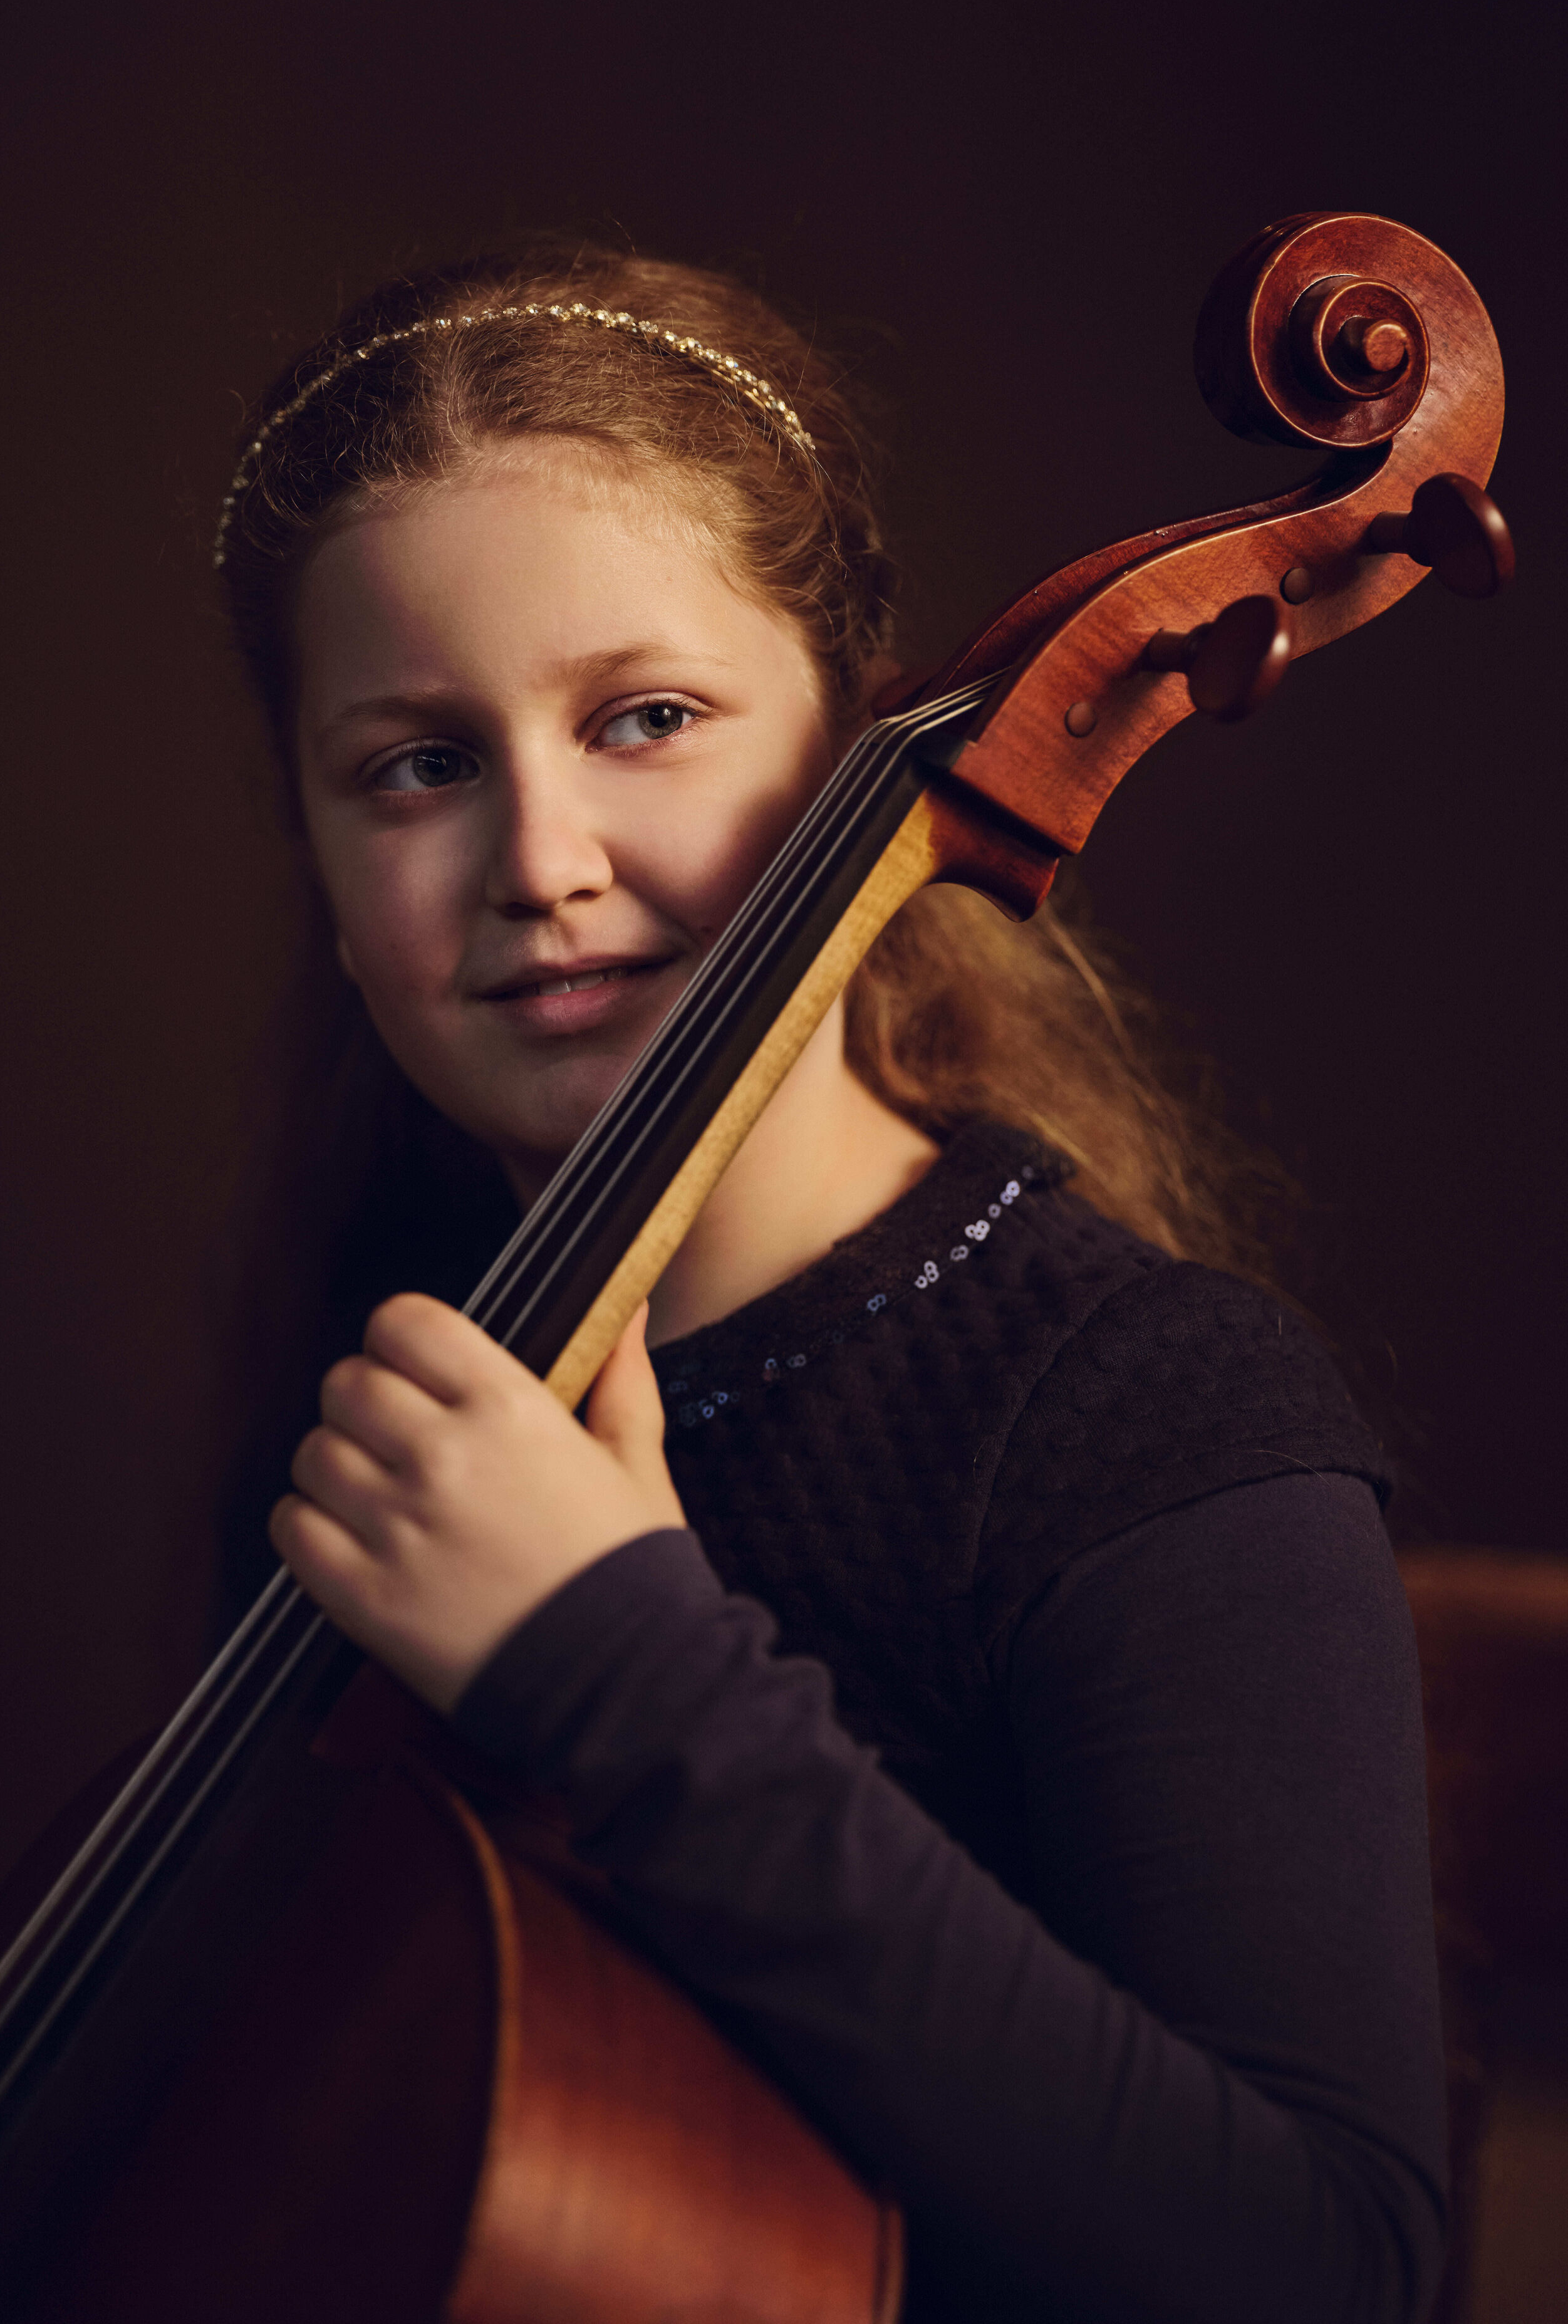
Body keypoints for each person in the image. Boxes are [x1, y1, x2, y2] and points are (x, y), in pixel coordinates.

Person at [212, 244, 1446, 2322]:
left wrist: (617, 1666)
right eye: (416, 764)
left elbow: (1336, 2272)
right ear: (327, 877)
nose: (540, 855)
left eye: (649, 720)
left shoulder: (1139, 1414)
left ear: (855, 748)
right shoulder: (402, 1385)